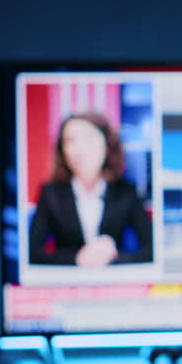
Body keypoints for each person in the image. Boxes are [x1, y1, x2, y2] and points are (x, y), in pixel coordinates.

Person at [28, 112, 152, 266]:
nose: (79, 148)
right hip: (66, 284)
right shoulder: (50, 193)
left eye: (89, 138)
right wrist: (77, 259)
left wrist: (112, 257)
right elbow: (32, 253)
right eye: (70, 140)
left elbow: (151, 250)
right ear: (62, 150)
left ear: (107, 145)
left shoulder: (126, 192)